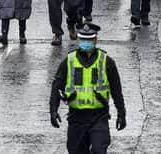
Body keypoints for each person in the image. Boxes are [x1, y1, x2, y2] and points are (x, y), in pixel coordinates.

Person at [49, 23, 126, 153]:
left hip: (99, 117)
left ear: (95, 39)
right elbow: (56, 87)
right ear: (79, 39)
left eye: (89, 39)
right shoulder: (69, 61)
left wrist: (121, 113)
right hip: (76, 118)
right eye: (83, 39)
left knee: (98, 150)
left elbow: (116, 90)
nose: (86, 42)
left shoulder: (106, 61)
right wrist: (53, 110)